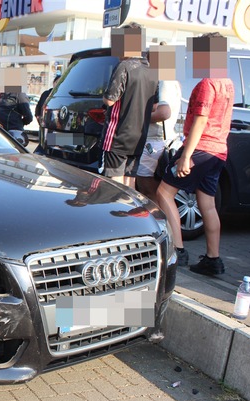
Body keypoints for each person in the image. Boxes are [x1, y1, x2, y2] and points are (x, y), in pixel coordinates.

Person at [156, 32, 234, 275]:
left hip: (200, 149)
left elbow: (200, 121)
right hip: (219, 151)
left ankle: (178, 251)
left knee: (163, 192)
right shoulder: (227, 82)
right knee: (207, 204)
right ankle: (213, 260)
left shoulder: (207, 83)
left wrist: (186, 155)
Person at [100, 23, 158, 186]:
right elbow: (154, 107)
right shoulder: (152, 70)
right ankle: (127, 211)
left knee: (114, 184)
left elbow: (110, 99)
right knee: (129, 182)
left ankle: (114, 210)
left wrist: (104, 96)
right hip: (139, 137)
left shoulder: (124, 67)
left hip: (118, 136)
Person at [135, 79, 181, 201]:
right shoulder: (164, 79)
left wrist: (134, 119)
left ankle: (159, 220)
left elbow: (163, 112)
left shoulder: (164, 81)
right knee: (147, 193)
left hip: (154, 141)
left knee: (149, 193)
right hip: (153, 141)